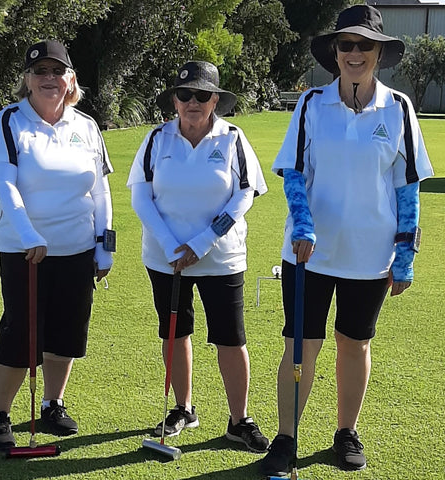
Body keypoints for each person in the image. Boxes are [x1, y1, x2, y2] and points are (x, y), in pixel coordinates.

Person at [260, 5, 434, 476]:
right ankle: (286, 438)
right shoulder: (311, 103)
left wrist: (405, 250)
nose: (355, 53)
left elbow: (408, 184)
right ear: (335, 53)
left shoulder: (398, 107)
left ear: (379, 52)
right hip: (308, 254)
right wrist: (301, 222)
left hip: (370, 256)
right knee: (301, 345)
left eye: (365, 45)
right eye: (346, 44)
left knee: (354, 344)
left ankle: (346, 432)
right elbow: (294, 170)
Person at [127, 61, 270, 452]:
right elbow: (140, 195)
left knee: (231, 338)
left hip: (221, 257)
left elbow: (245, 195)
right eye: (185, 94)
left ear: (215, 101)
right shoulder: (157, 139)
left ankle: (239, 420)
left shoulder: (233, 139)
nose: (193, 102)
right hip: (166, 257)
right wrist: (172, 244)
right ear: (175, 99)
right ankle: (183, 408)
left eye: (202, 95)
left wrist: (203, 241)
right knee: (175, 332)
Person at [0, 40, 114, 449]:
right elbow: (4, 185)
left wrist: (103, 245)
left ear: (70, 79)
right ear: (26, 79)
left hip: (76, 249)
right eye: (39, 71)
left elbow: (101, 191)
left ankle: (53, 403)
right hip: (25, 250)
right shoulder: (7, 122)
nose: (49, 79)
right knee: (20, 333)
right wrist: (28, 235)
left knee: (66, 333)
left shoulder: (86, 126)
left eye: (57, 71)